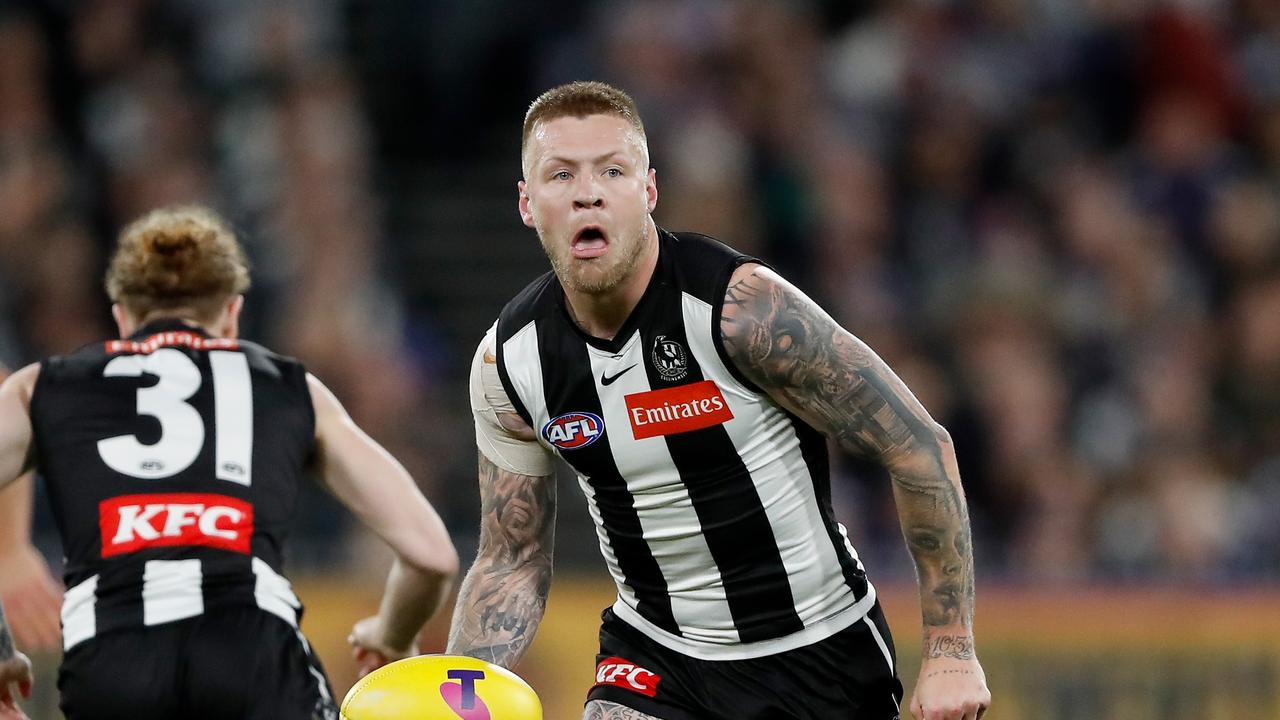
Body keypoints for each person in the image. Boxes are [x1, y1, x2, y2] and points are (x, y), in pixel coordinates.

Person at [446, 81, 990, 720]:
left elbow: (918, 446)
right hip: (655, 654)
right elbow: (511, 556)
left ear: (648, 191)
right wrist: (459, 696)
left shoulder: (741, 311)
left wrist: (952, 649)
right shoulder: (509, 362)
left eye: (611, 171)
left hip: (817, 654)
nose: (587, 192)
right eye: (560, 174)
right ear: (527, 204)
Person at [0, 206, 459, 719]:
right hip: (254, 657)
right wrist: (390, 635)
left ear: (122, 318)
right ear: (232, 316)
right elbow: (430, 555)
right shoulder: (289, 388)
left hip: (111, 665)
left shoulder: (43, 387)